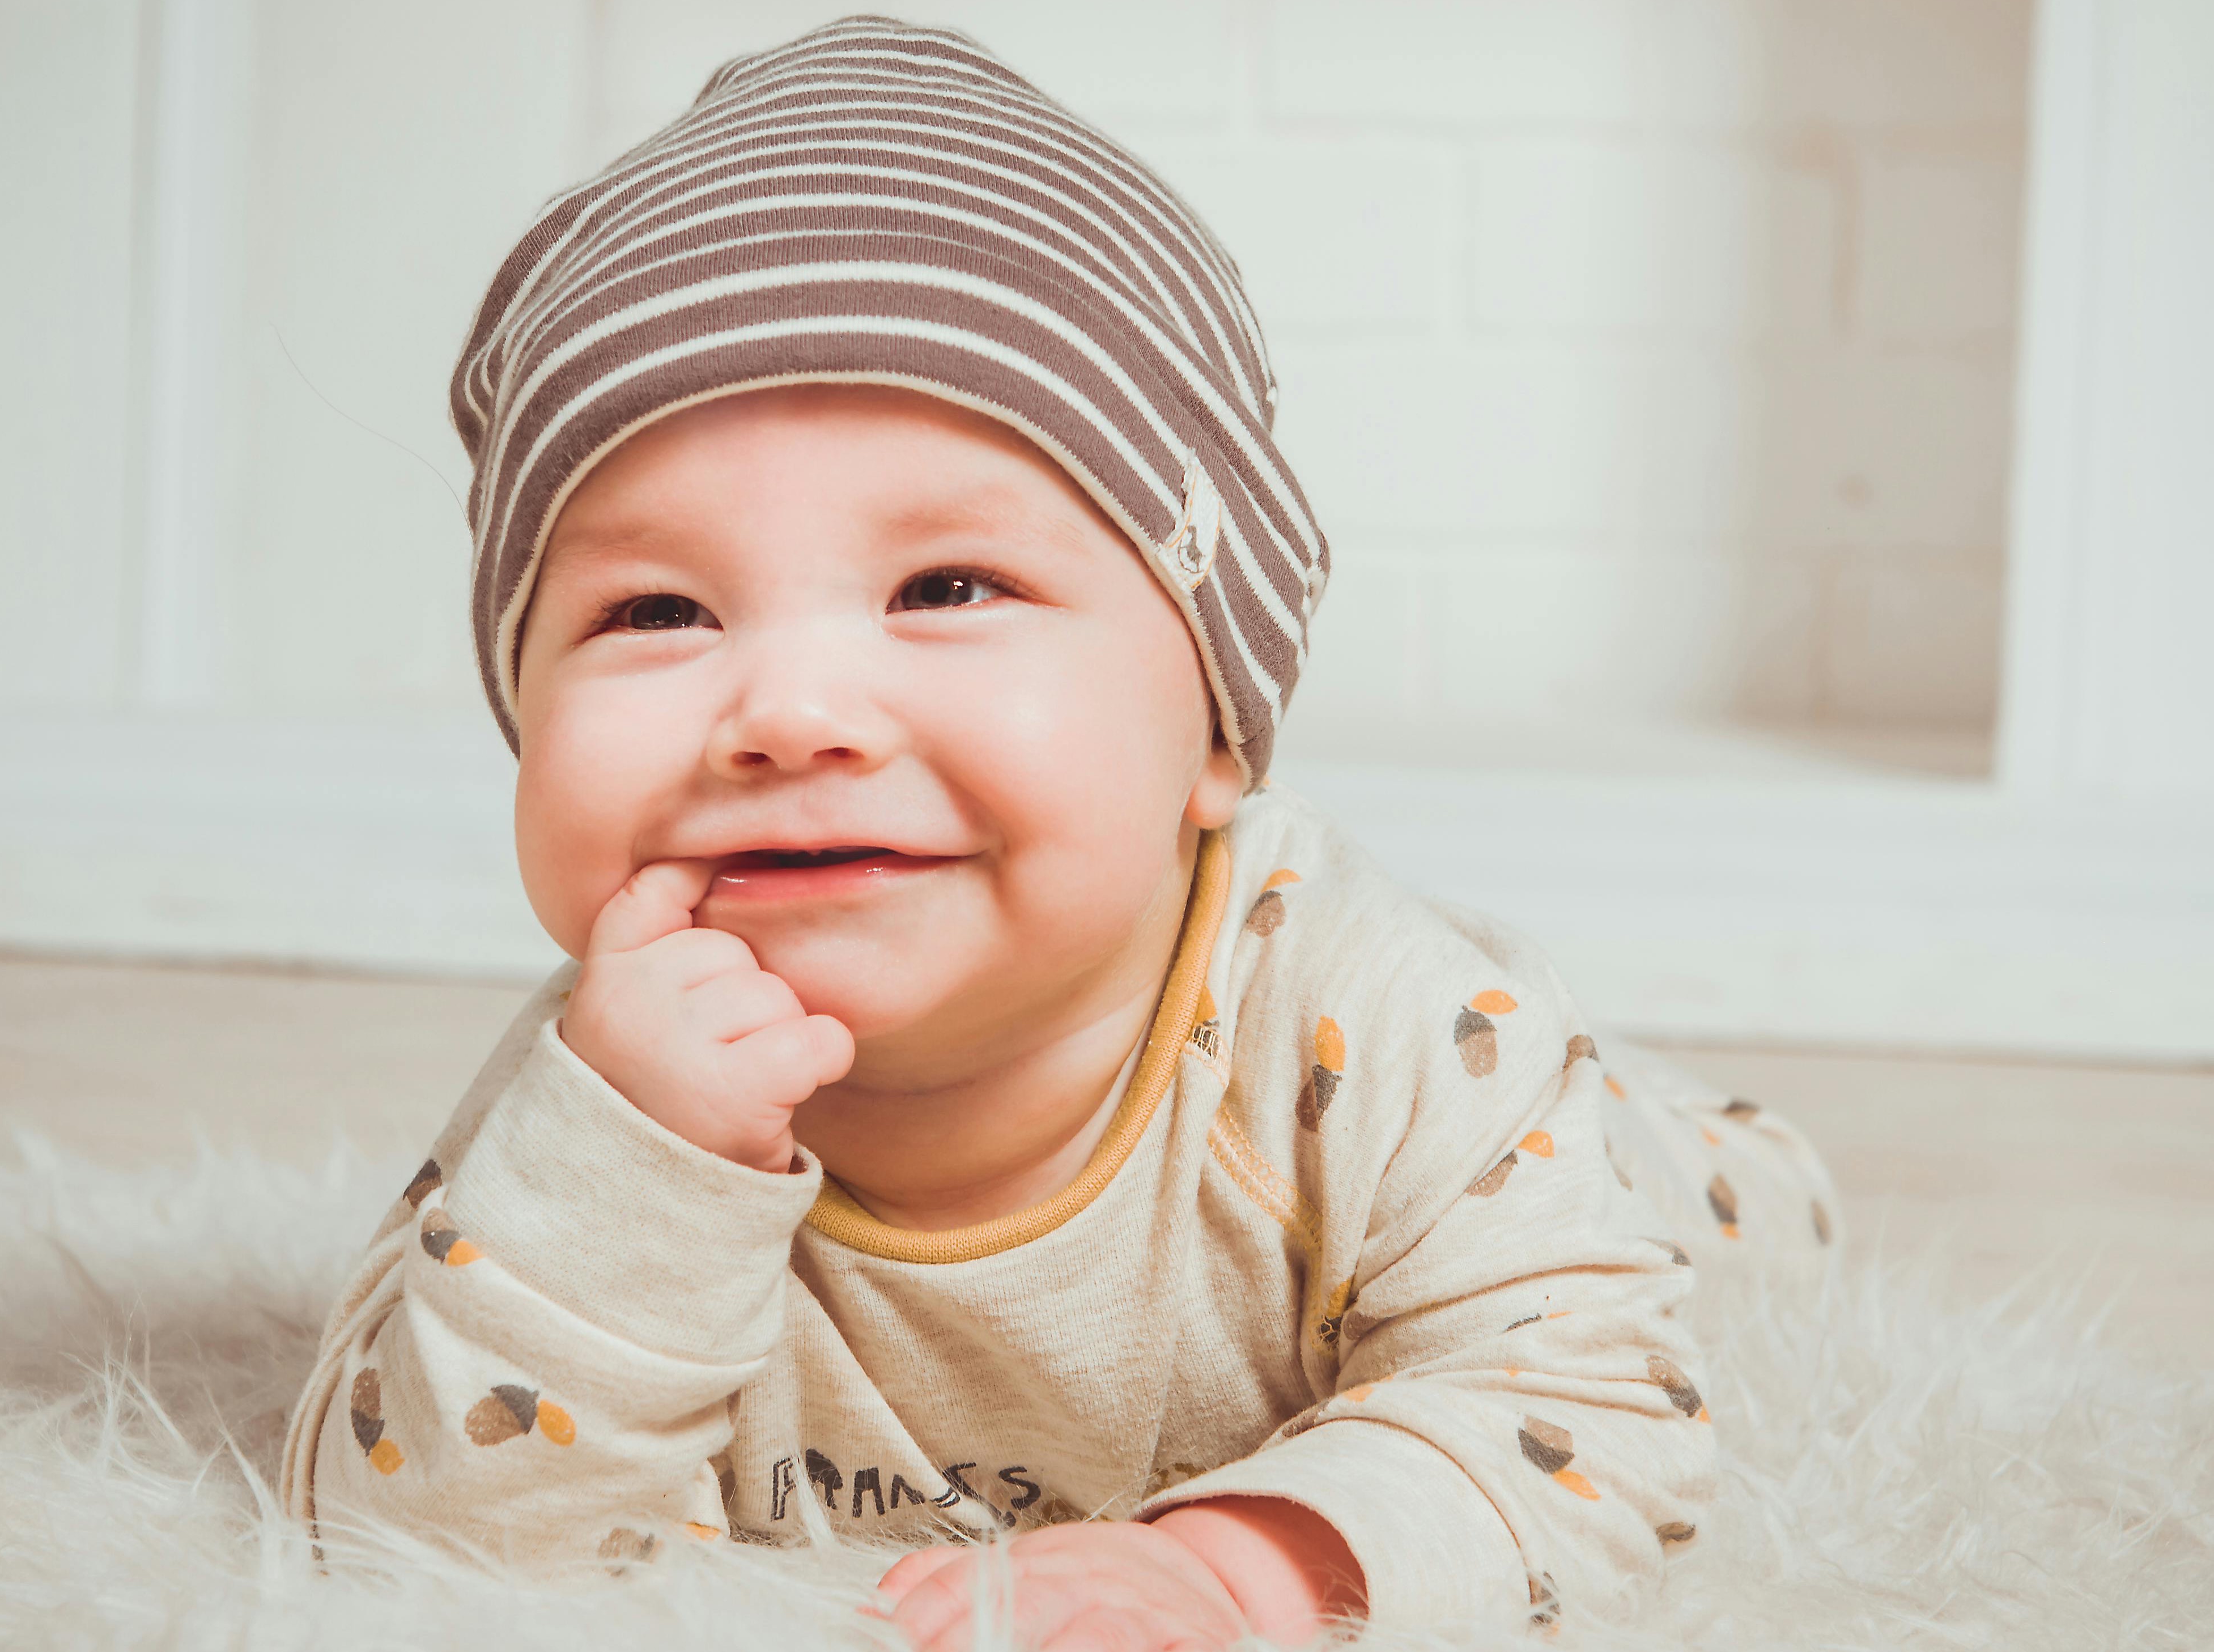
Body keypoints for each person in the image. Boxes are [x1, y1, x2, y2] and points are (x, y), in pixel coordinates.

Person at [281, 18, 1839, 1646]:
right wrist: (629, 1187)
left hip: (1503, 1112)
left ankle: (1685, 1132)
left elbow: (1590, 1405)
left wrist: (1242, 1566)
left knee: (1671, 1218)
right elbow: (392, 1534)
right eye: (657, 607)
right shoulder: (607, 1097)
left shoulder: (1378, 1028)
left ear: (1218, 730)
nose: (791, 709)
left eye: (947, 588)